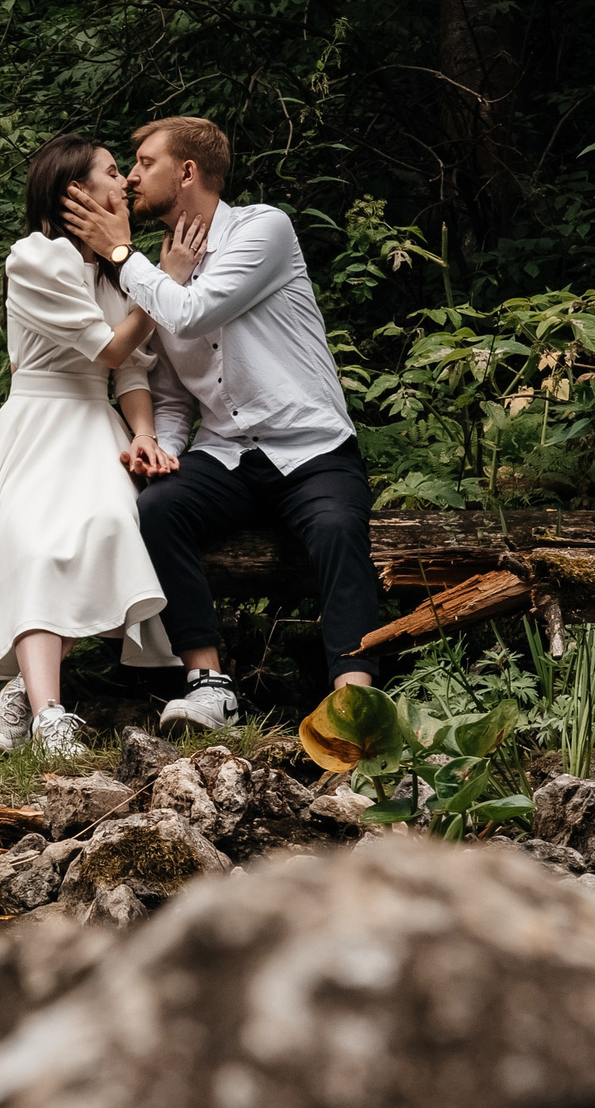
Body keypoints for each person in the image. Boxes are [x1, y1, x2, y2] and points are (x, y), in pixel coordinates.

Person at [61, 114, 382, 732]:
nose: (130, 179)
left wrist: (122, 254)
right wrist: (162, 449)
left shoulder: (263, 229)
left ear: (187, 172)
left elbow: (192, 311)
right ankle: (209, 684)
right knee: (157, 507)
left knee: (339, 528)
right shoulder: (158, 269)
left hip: (309, 446)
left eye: (144, 164)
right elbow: (176, 392)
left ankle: (353, 703)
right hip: (229, 452)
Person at [0, 135, 204, 757]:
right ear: (74, 191)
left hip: (95, 425)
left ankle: (22, 699)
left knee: (108, 530)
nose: (127, 182)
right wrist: (167, 281)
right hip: (38, 424)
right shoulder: (34, 258)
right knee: (35, 542)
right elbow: (107, 348)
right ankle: (52, 715)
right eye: (113, 172)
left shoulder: (115, 270)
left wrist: (143, 435)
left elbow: (130, 371)